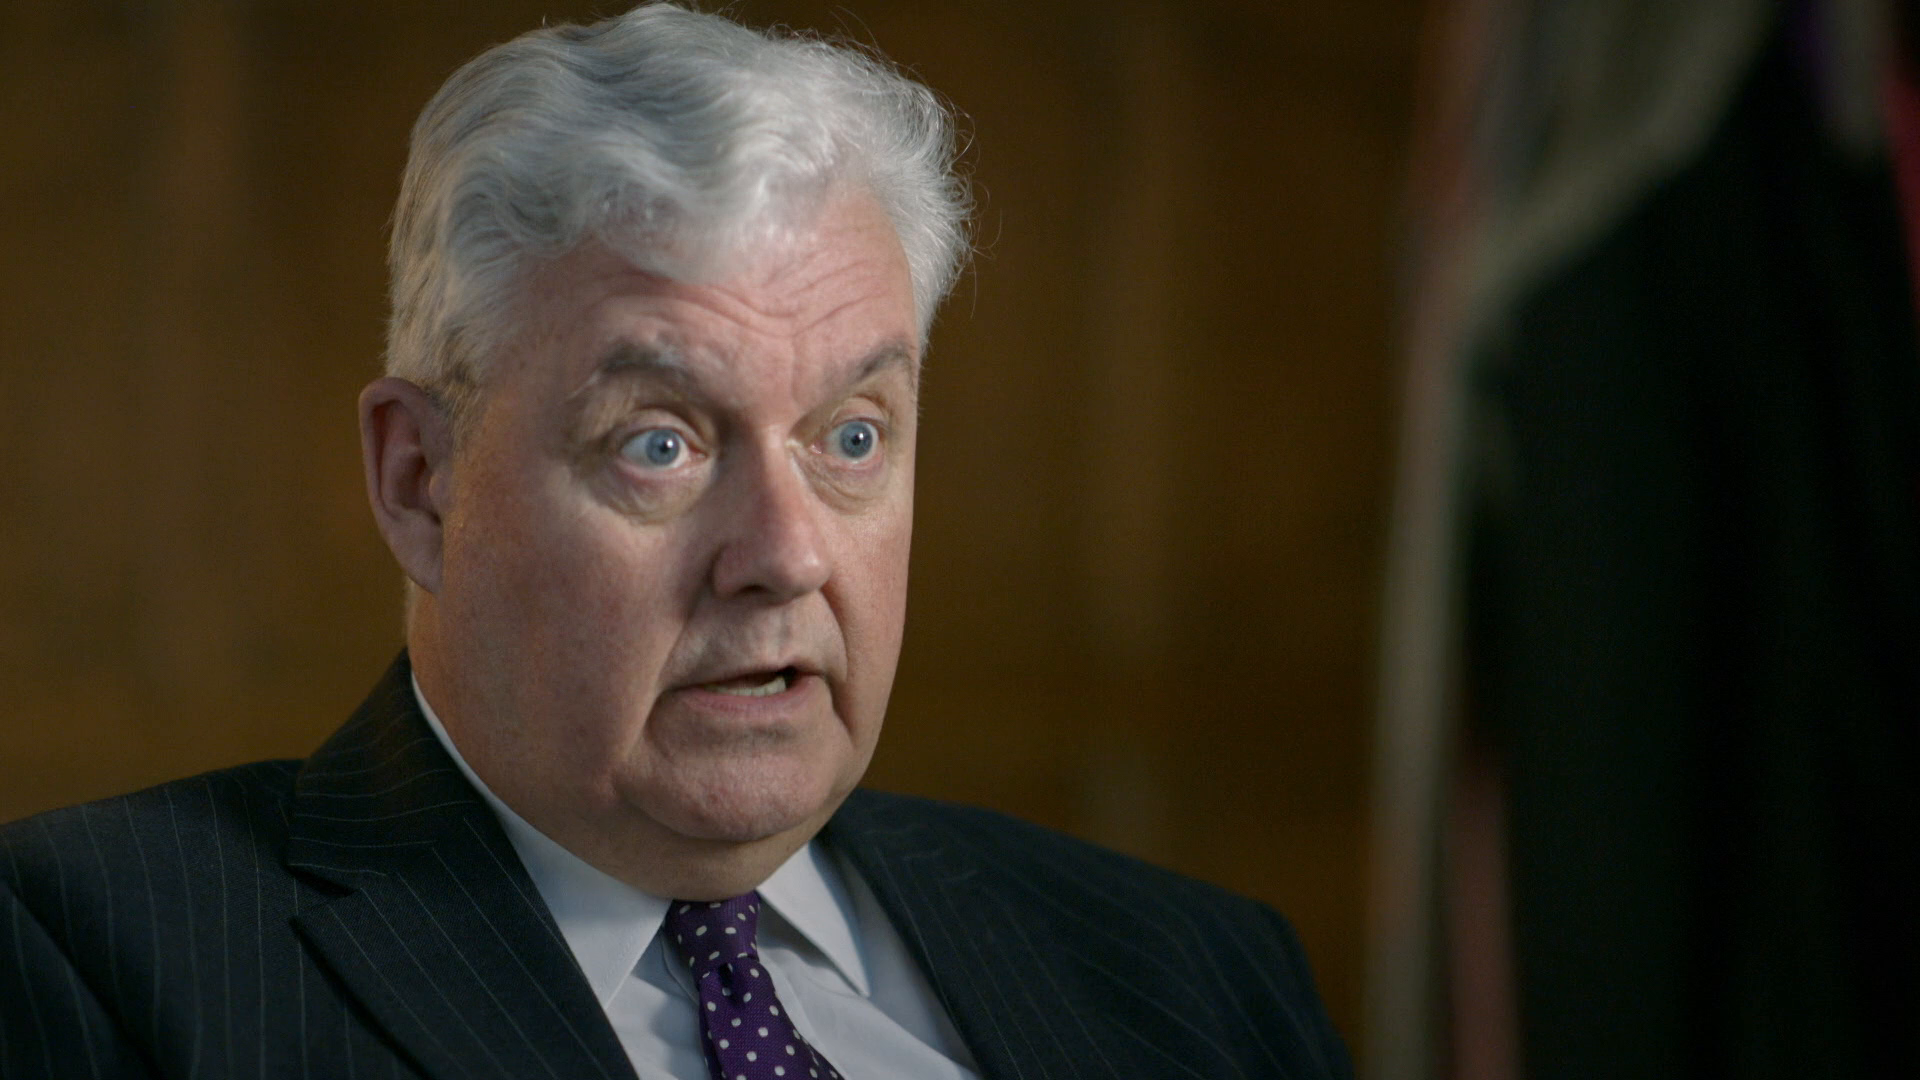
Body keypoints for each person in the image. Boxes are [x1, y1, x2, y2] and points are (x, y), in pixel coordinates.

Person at [0, 5, 1351, 1078]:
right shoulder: (88, 962)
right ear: (420, 482)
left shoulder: (1193, 975)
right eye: (660, 444)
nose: (785, 555)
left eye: (852, 437)